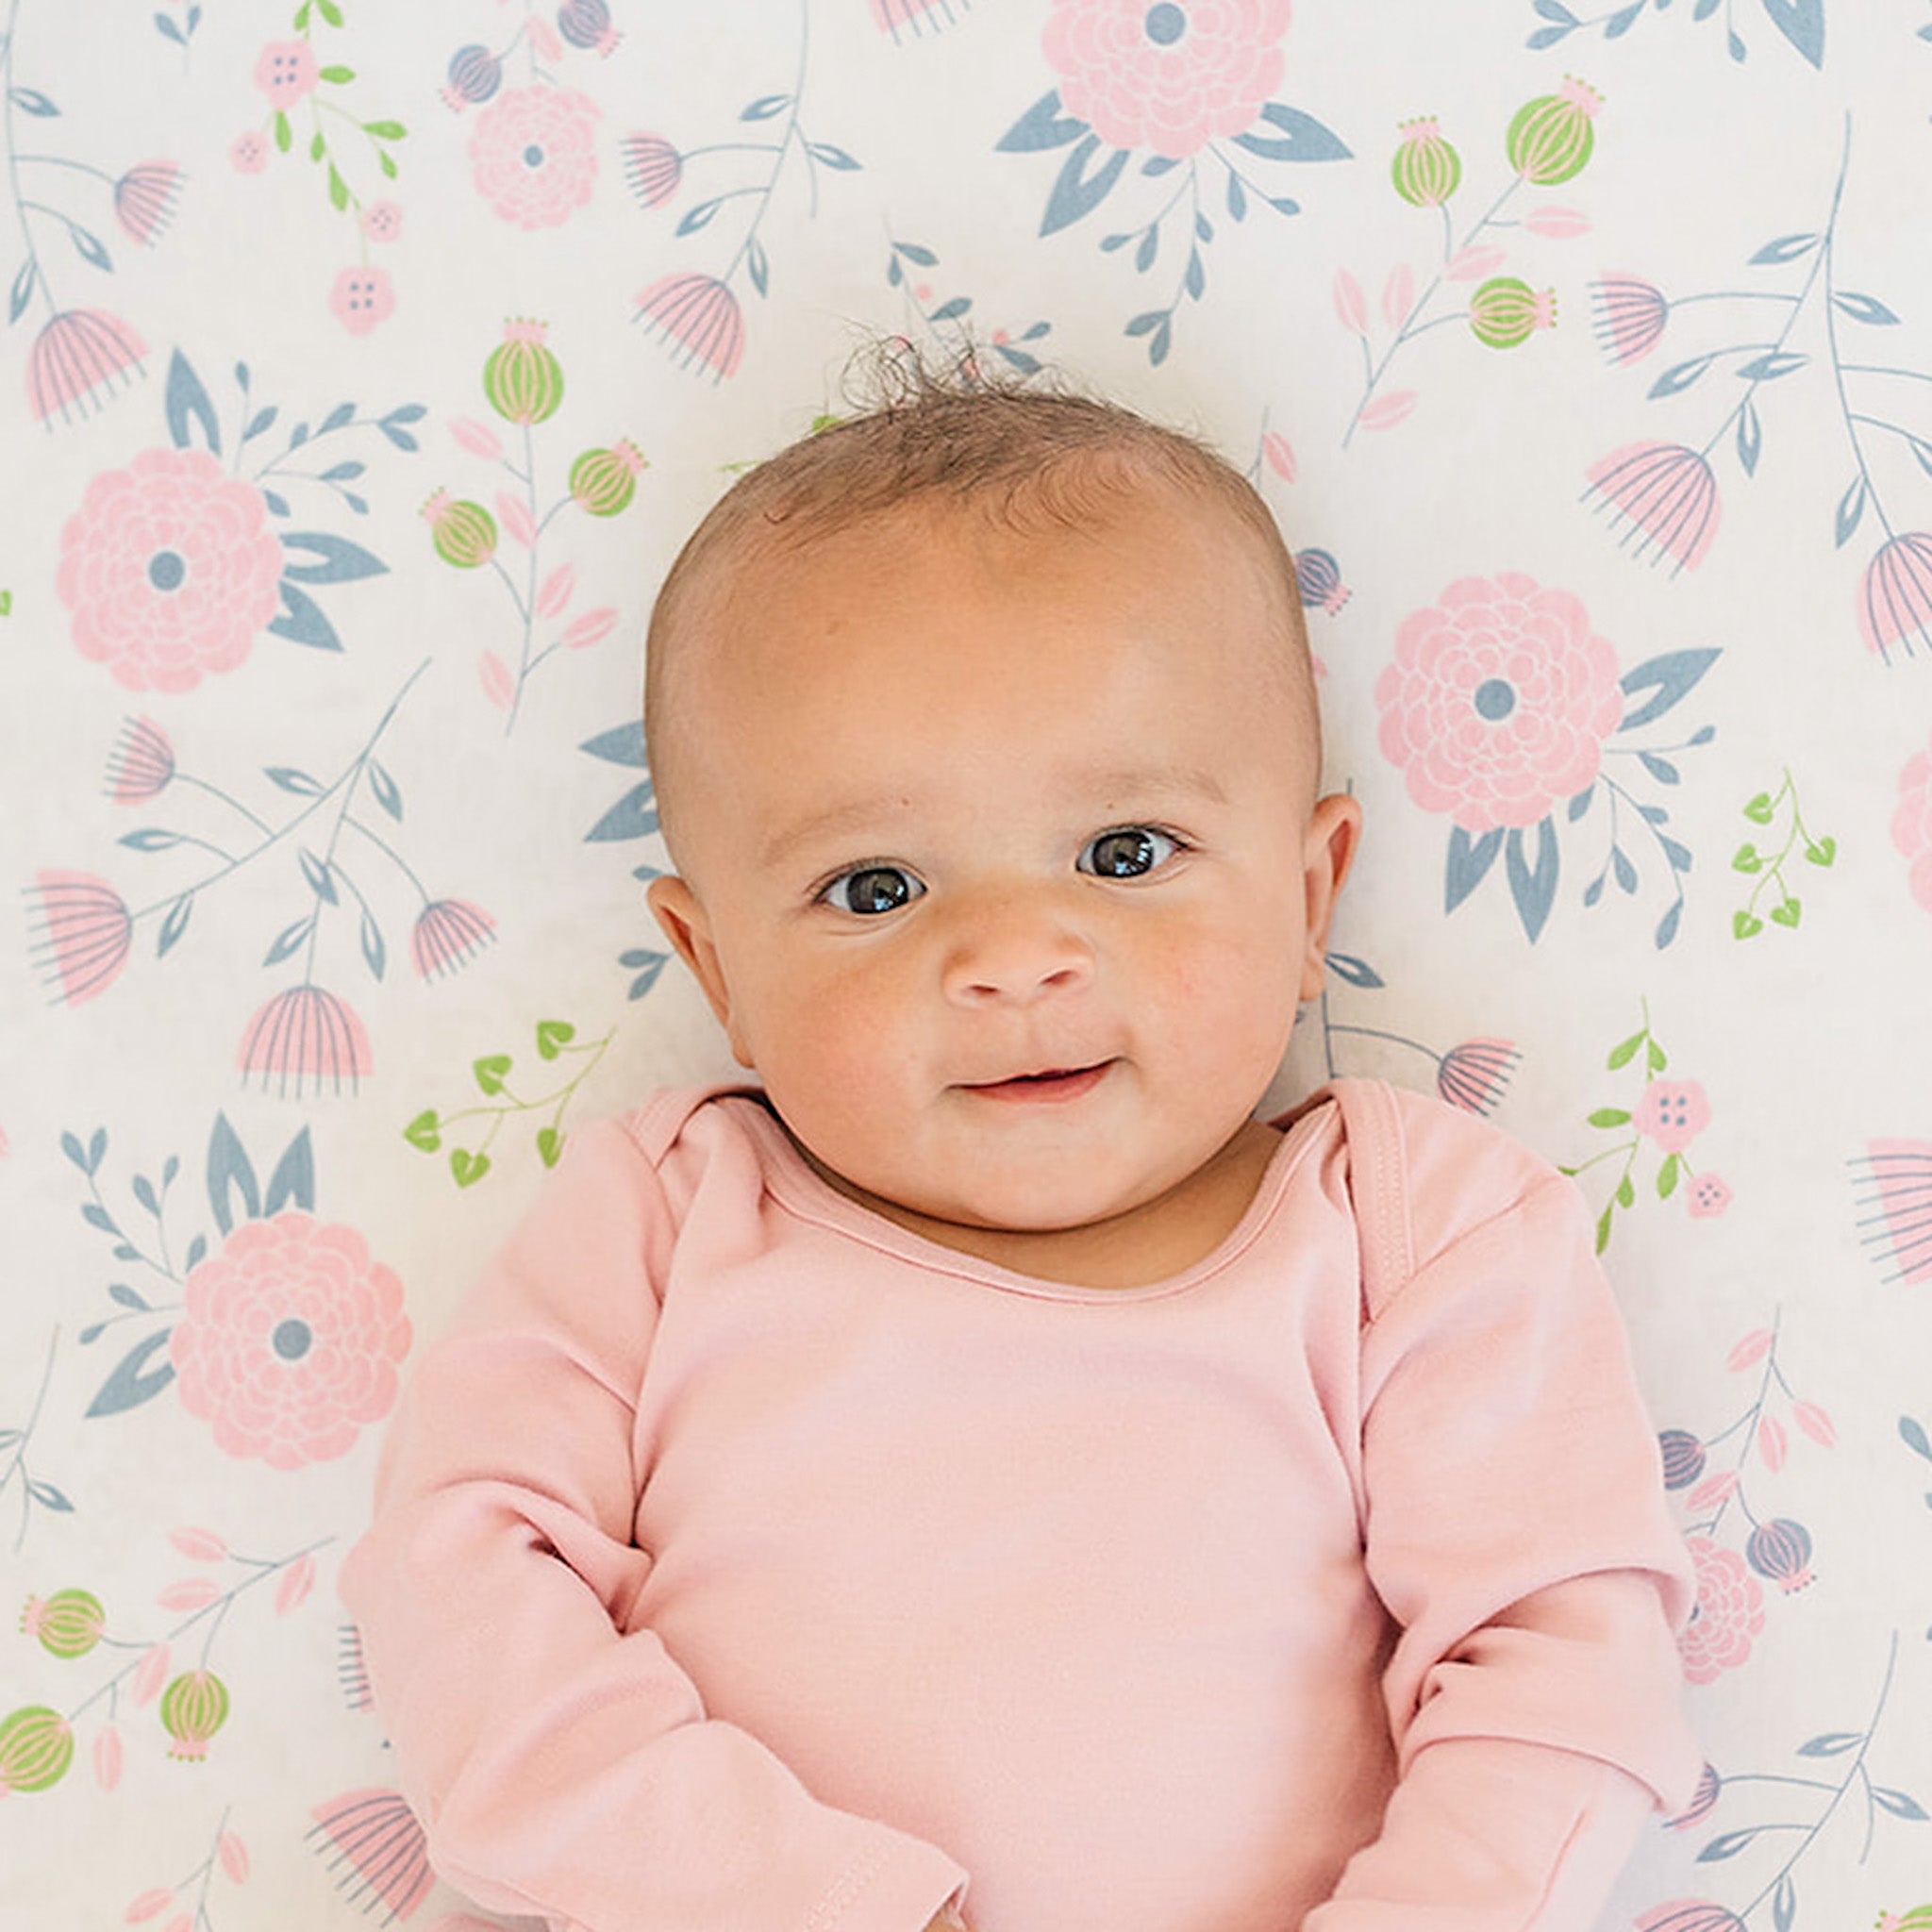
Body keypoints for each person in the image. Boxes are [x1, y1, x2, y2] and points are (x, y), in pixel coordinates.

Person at [341, 361, 1700, 1932]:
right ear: (716, 974)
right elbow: (459, 1592)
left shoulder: (1414, 1235)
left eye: (1127, 854)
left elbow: (1560, 1672)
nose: (1012, 957)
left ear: (1311, 894)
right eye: (876, 889)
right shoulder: (665, 1220)